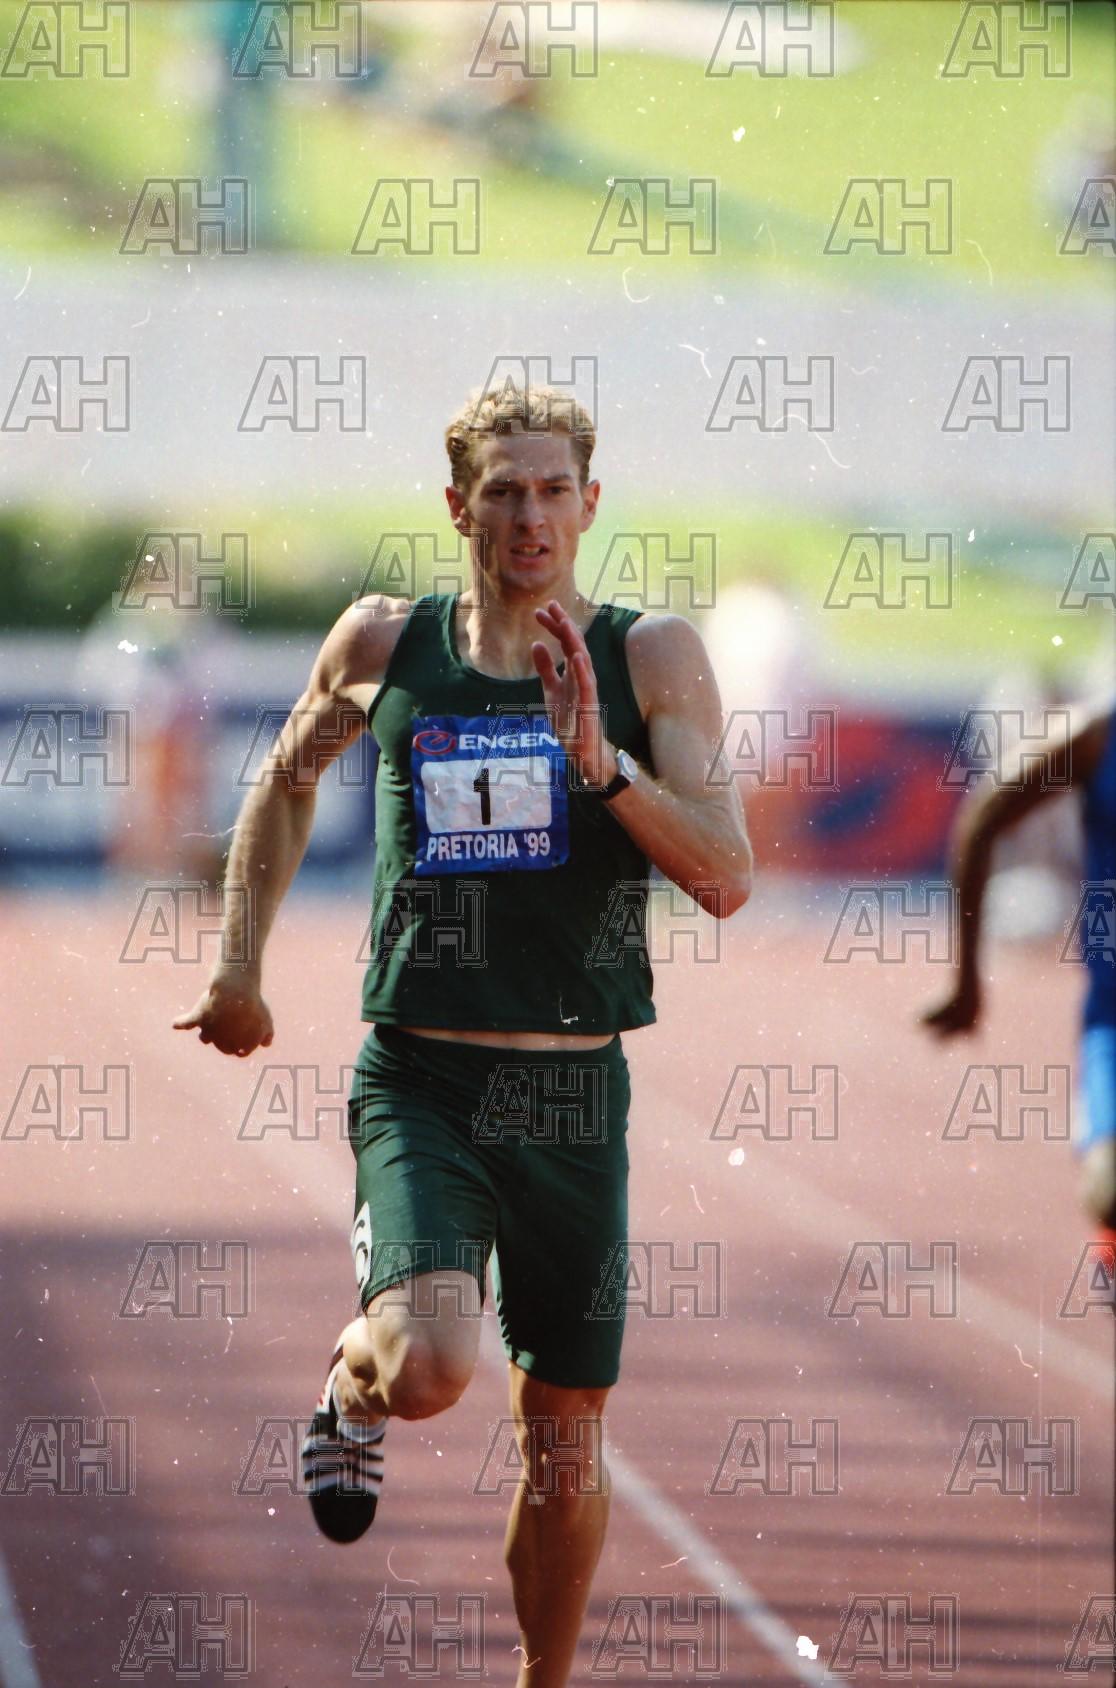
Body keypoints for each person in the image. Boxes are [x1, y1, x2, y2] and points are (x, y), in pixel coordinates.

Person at [173, 384, 752, 1688]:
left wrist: (602, 765)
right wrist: (237, 966)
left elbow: (726, 874)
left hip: (575, 1099)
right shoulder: (387, 644)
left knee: (564, 1440)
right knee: (433, 1364)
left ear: (590, 505)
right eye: (503, 490)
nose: (529, 515)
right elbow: (286, 780)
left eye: (553, 490)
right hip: (424, 1077)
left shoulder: (652, 658)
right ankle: (354, 1384)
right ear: (458, 506)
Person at [922, 705, 1116, 1239]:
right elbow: (984, 817)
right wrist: (966, 981)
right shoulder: (1096, 739)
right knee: (1109, 1189)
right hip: (1113, 1013)